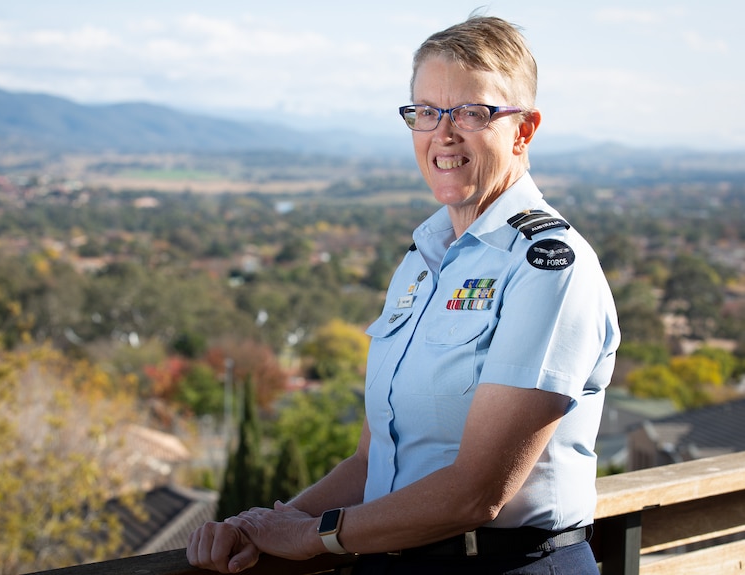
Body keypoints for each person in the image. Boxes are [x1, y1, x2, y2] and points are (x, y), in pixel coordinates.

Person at [187, 14, 619, 575]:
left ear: (524, 130)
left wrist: (317, 536)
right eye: (426, 112)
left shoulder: (547, 268)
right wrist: (265, 526)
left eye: (472, 112)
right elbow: (373, 461)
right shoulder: (423, 262)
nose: (444, 133)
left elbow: (476, 493)